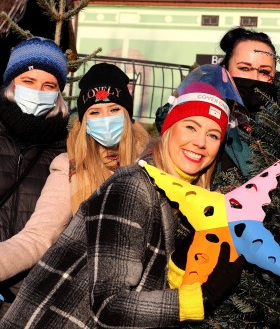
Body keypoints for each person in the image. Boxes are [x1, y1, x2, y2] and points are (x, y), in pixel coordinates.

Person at [1, 80, 245, 327]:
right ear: (170, 128)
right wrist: (200, 300)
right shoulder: (134, 186)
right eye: (191, 127)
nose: (200, 142)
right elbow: (110, 306)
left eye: (213, 134)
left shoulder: (186, 203)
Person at [0, 63, 149, 300]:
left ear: (127, 114)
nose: (106, 119)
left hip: (144, 295)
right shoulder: (70, 167)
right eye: (95, 112)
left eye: (114, 110)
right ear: (84, 120)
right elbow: (37, 237)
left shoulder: (151, 163)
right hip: (86, 298)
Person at [0, 37, 69, 313]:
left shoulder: (66, 150)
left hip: (29, 299)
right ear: (12, 83)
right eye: (29, 81)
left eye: (49, 85)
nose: (38, 91)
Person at [218, 27, 278, 178]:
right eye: (244, 68)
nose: (254, 78)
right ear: (225, 70)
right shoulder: (206, 111)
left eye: (264, 71)